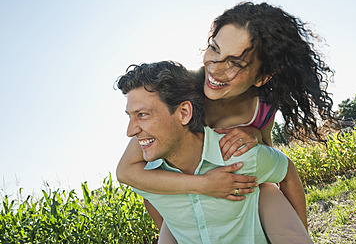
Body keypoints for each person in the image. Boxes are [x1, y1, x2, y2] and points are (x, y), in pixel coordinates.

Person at [116, 1, 337, 242]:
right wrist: (202, 186)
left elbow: (273, 164)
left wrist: (297, 231)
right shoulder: (188, 91)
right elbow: (128, 171)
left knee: (265, 190)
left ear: (263, 77)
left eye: (235, 63)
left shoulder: (261, 108)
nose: (215, 69)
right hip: (188, 192)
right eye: (214, 49)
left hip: (242, 190)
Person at [116, 60, 312, 243]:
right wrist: (202, 186)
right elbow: (142, 189)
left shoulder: (239, 155)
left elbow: (287, 172)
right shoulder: (144, 179)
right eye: (131, 116)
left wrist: (301, 233)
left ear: (184, 113)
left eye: (143, 115)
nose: (130, 131)